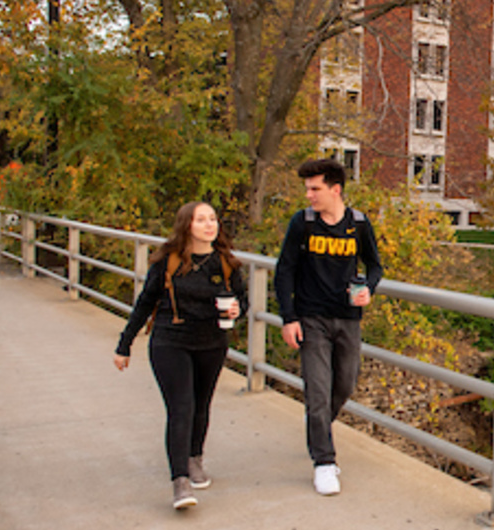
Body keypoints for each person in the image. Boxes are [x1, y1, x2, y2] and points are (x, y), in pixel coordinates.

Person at [114, 201, 247, 510]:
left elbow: (242, 301)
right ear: (187, 225)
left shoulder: (226, 263)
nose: (209, 225)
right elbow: (145, 303)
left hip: (212, 343)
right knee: (182, 407)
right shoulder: (168, 262)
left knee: (201, 406)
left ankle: (195, 458)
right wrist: (124, 344)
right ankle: (180, 482)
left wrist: (237, 310)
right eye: (202, 220)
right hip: (170, 342)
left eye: (213, 219)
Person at [274, 158, 383, 496]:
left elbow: (375, 266)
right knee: (317, 392)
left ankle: (317, 432)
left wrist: (369, 289)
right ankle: (323, 461)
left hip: (348, 320)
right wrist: (288, 318)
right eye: (307, 189)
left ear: (335, 190)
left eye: (315, 189)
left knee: (345, 386)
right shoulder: (302, 223)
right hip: (311, 319)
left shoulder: (360, 224)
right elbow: (284, 271)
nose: (309, 195)